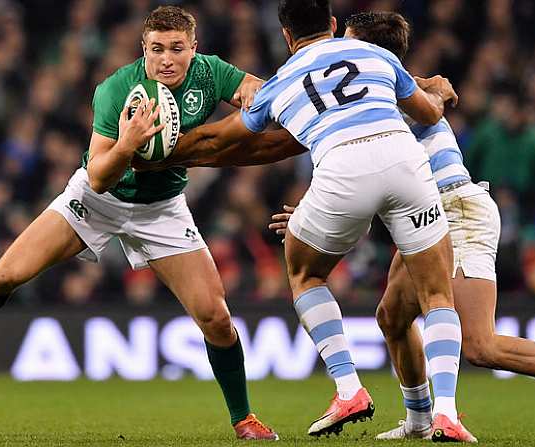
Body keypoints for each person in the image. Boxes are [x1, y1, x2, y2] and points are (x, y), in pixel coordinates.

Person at [0, 6, 279, 440]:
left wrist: (258, 95)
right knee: (6, 274)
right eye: (157, 49)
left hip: (162, 207)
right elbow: (99, 176)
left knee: (216, 317)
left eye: (177, 49)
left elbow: (254, 87)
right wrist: (128, 145)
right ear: (144, 49)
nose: (167, 59)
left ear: (194, 49)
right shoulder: (117, 90)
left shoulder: (211, 73)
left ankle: (243, 418)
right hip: (96, 200)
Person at [268, 11, 535, 444]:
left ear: (367, 51)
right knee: (391, 317)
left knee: (479, 344)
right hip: (429, 210)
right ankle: (421, 421)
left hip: (458, 209)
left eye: (348, 44)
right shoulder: (384, 92)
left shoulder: (382, 96)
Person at [150, 0, 475, 441]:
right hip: (406, 162)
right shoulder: (380, 56)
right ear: (335, 26)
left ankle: (349, 388)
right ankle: (448, 414)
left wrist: (154, 157)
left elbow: (220, 139)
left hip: (341, 170)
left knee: (305, 272)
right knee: (437, 293)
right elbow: (429, 113)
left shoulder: (281, 83)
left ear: (286, 36)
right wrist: (436, 90)